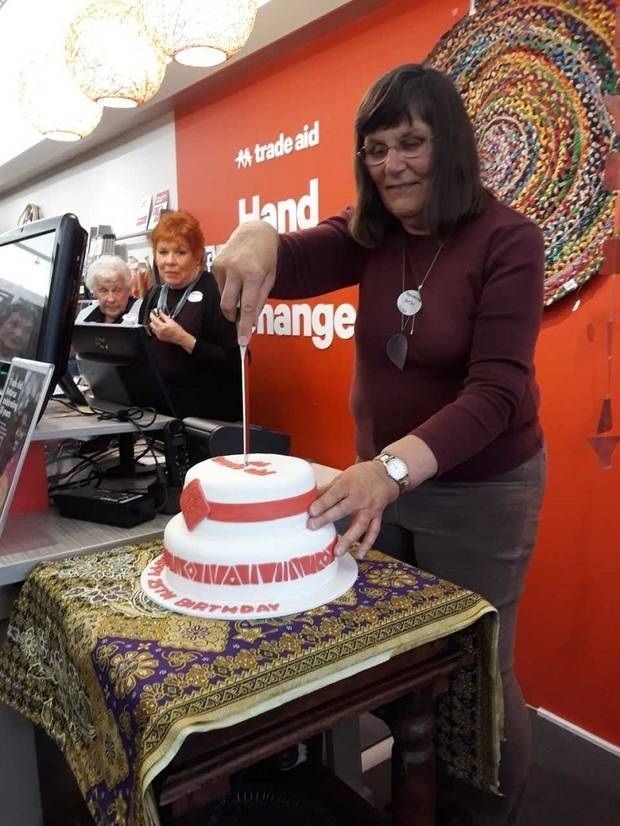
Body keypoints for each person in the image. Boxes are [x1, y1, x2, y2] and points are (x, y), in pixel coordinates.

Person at [212, 64, 546, 825]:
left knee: (476, 674)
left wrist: (388, 470)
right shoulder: (372, 235)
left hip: (482, 492)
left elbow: (496, 395)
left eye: (412, 143)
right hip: (386, 483)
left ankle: (485, 813)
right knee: (397, 658)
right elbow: (291, 256)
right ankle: (415, 794)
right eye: (375, 149)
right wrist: (257, 234)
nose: (392, 165)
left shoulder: (509, 241)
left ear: (450, 145)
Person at [139, 210, 242, 421]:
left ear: (197, 256)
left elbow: (233, 362)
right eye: (163, 252)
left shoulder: (215, 290)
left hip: (207, 413)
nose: (169, 261)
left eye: (180, 252)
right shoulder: (155, 293)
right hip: (162, 411)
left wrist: (182, 339)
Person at [76, 255, 141, 324]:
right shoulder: (84, 316)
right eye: (104, 290)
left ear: (128, 290)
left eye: (117, 290)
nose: (111, 299)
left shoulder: (143, 313)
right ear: (95, 292)